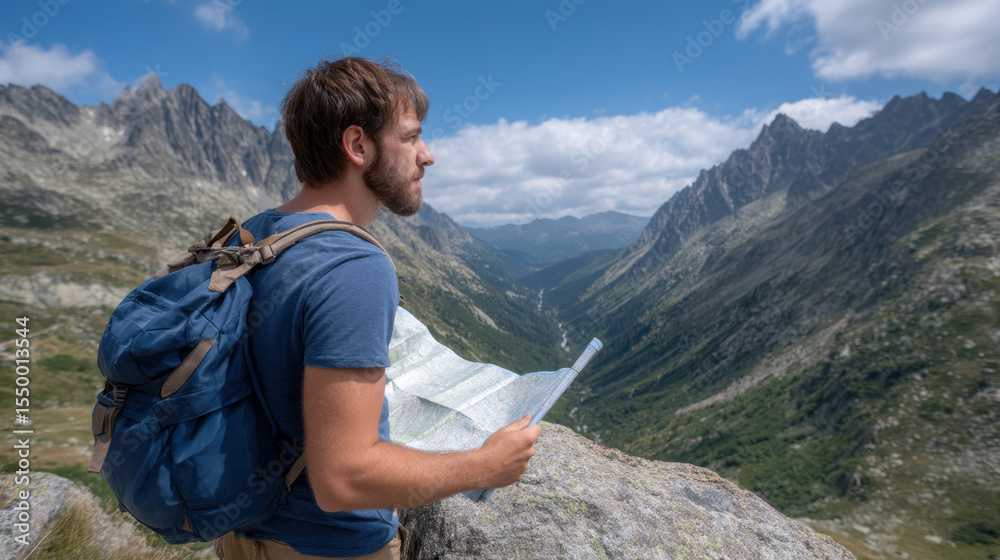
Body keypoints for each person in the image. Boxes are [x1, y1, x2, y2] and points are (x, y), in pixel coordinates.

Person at [213, 57, 542, 560]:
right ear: (358, 146)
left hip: (241, 538)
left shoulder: (255, 233)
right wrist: (484, 465)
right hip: (328, 548)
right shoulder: (354, 266)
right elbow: (342, 478)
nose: (427, 156)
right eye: (410, 138)